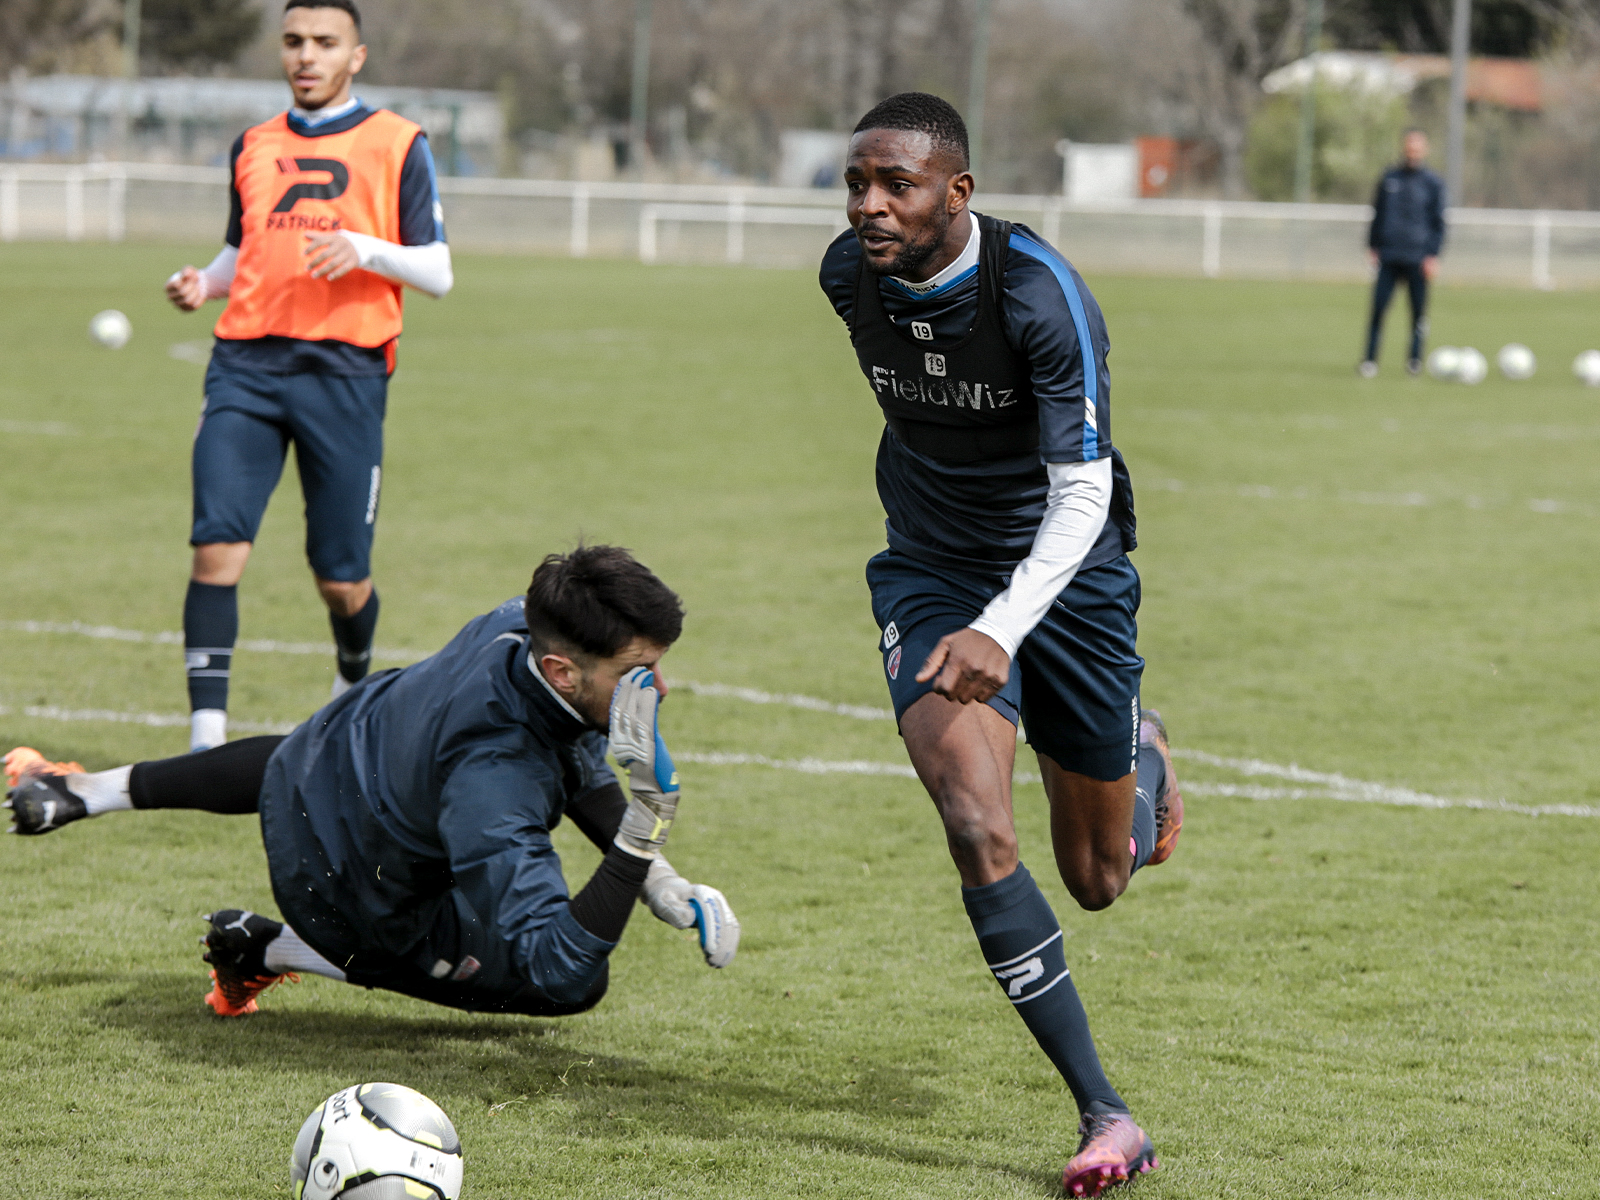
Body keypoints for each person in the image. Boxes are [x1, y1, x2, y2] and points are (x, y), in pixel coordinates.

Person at [819, 93, 1182, 1198]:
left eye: (899, 186)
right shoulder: (847, 277)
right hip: (931, 572)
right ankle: (1106, 1112)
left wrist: (1003, 626)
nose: (871, 208)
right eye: (857, 185)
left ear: (958, 193)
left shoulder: (1040, 295)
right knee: (975, 820)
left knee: (1098, 877)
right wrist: (962, 612)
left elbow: (1080, 496)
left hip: (1066, 584)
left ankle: (1146, 753)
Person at [4, 546, 740, 1018]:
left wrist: (662, 883)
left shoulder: (519, 621)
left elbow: (573, 757)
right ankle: (266, 948)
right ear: (562, 671)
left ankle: (79, 791)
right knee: (579, 989)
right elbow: (557, 960)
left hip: (329, 750)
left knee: (311, 759)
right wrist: (643, 832)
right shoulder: (495, 777)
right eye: (640, 675)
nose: (661, 689)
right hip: (344, 885)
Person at [164, 0, 454, 753]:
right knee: (216, 547)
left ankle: (353, 671)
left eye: (325, 43)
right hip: (244, 366)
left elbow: (439, 271)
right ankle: (206, 740)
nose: (306, 56)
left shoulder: (399, 143)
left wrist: (363, 248)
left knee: (340, 579)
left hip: (345, 372)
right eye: (294, 41)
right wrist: (206, 281)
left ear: (356, 56)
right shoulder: (253, 145)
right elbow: (245, 252)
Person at [1359, 129, 1446, 378]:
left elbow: (1439, 223)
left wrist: (1433, 255)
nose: (1413, 151)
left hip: (1418, 257)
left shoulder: (1432, 183)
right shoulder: (1389, 178)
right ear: (1404, 148)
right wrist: (1372, 246)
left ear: (1424, 150)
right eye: (1410, 146)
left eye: (1418, 147)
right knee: (1378, 309)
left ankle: (1414, 361)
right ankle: (1369, 360)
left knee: (1418, 313)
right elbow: (1377, 215)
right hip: (1388, 254)